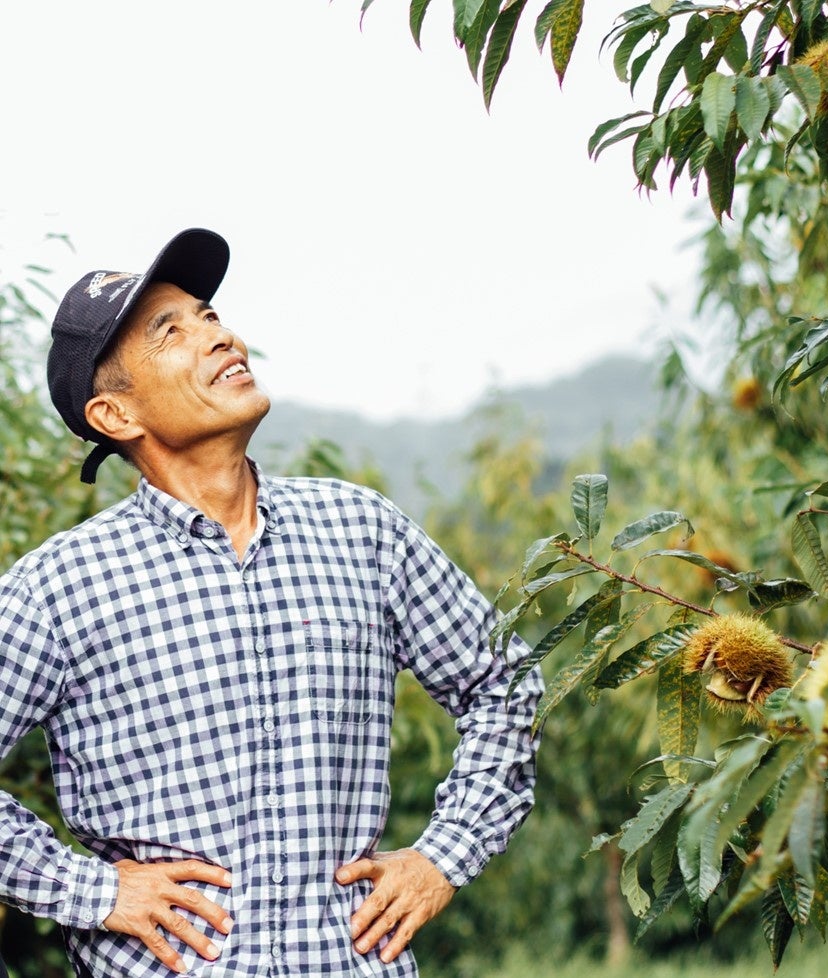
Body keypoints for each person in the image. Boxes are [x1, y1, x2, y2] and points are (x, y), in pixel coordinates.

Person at [0, 229, 543, 977]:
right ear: (115, 417)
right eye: (172, 332)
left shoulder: (362, 530)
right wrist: (92, 890)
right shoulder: (60, 586)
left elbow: (503, 685)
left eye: (210, 315)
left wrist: (442, 857)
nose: (221, 336)